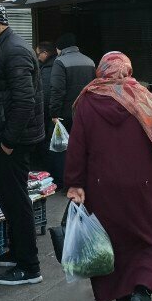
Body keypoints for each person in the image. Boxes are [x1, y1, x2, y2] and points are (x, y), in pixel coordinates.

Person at [64, 52, 152, 301]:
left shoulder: (87, 100)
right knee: (151, 238)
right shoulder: (145, 97)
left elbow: (77, 147)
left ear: (101, 71)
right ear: (127, 69)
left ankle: (123, 300)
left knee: (114, 240)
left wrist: (75, 183)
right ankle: (142, 289)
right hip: (146, 184)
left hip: (103, 187)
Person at [0, 2, 45, 286]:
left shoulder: (13, 50)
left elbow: (24, 101)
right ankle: (17, 253)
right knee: (8, 198)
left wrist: (8, 142)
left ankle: (29, 266)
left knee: (16, 200)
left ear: (0, 22)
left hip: (12, 141)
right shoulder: (1, 48)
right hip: (3, 139)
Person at [48, 33, 96, 186]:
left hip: (65, 114)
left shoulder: (60, 62)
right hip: (86, 112)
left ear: (60, 48)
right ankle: (84, 179)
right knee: (84, 147)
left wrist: (54, 113)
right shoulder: (90, 61)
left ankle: (67, 182)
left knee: (63, 149)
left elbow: (57, 90)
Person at [35, 41, 58, 171]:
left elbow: (46, 93)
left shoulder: (50, 68)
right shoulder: (50, 65)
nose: (37, 57)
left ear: (45, 53)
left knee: (48, 142)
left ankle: (48, 170)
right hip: (52, 111)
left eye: (38, 54)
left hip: (48, 112)